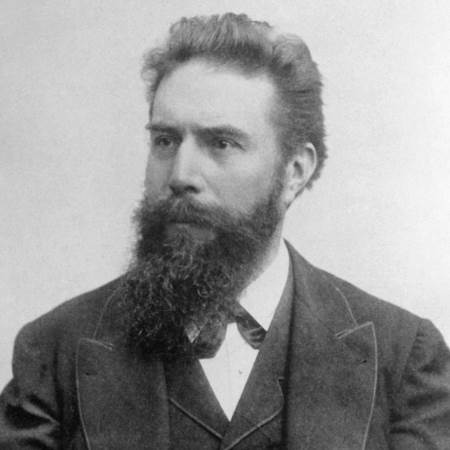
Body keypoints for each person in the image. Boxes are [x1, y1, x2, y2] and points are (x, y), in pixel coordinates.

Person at [1, 12, 449, 450]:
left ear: (294, 172)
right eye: (165, 141)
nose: (181, 174)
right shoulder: (54, 351)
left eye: (222, 143)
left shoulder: (403, 357)